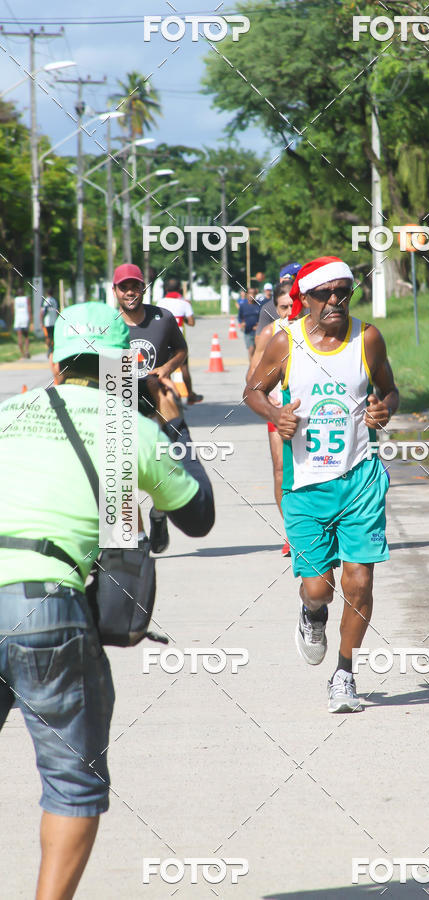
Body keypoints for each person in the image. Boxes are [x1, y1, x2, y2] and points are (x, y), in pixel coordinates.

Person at [0, 301, 215, 900]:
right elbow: (198, 516)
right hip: (47, 609)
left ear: (53, 362)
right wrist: (174, 425)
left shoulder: (6, 412)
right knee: (72, 783)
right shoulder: (132, 430)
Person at [244, 256, 399, 713]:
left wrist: (384, 407)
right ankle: (313, 615)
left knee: (360, 582)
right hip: (306, 483)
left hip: (360, 478)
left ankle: (345, 673)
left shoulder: (367, 338)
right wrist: (276, 415)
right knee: (319, 589)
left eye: (342, 292)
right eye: (324, 294)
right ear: (305, 299)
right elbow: (252, 391)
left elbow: (389, 388)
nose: (334, 301)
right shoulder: (284, 342)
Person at [112, 263, 189, 555]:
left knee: (162, 466)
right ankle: (140, 537)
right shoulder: (108, 324)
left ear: (144, 288)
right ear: (115, 290)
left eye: (135, 286)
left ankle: (159, 514)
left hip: (157, 402)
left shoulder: (163, 318)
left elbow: (181, 350)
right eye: (124, 287)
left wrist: (167, 369)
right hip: (120, 403)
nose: (130, 292)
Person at [247, 282, 294, 556]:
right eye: (282, 307)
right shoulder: (270, 333)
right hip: (278, 410)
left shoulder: (315, 330)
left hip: (312, 410)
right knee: (280, 469)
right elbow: (252, 376)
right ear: (275, 308)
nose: (289, 312)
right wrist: (270, 402)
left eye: (292, 305)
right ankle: (292, 532)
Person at [156, 276, 203, 404]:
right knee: (184, 368)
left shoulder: (160, 303)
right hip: (179, 341)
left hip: (163, 340)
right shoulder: (185, 304)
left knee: (165, 369)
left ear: (165, 289)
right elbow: (192, 323)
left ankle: (166, 395)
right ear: (179, 289)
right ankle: (190, 395)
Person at [256, 262, 302, 334]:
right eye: (284, 307)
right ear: (282, 280)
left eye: (298, 277)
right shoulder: (267, 308)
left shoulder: (311, 304)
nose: (290, 312)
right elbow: (259, 339)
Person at [237, 287, 260, 361]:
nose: (251, 295)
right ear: (247, 295)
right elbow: (240, 317)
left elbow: (263, 318)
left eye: (253, 293)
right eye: (250, 293)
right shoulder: (243, 306)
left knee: (257, 351)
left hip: (258, 332)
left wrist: (259, 325)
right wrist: (242, 323)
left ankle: (255, 366)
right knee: (251, 349)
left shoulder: (259, 305)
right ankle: (252, 368)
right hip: (248, 332)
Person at [40, 288, 60, 357]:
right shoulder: (55, 301)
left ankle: (49, 349)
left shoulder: (46, 300)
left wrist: (41, 319)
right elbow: (57, 311)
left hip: (47, 322)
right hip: (54, 321)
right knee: (53, 336)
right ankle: (52, 348)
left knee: (47, 336)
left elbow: (44, 311)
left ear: (47, 293)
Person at [13, 292, 32, 358]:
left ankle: (22, 353)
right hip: (25, 318)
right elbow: (29, 309)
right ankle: (27, 351)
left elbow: (13, 310)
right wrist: (31, 320)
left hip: (18, 319)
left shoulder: (15, 300)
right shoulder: (26, 299)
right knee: (26, 336)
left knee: (19, 337)